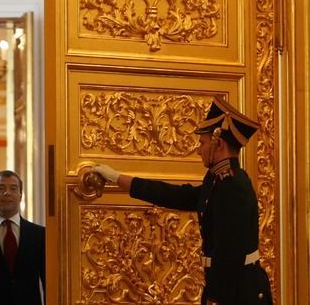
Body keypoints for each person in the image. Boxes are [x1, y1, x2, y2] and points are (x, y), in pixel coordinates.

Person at [92, 96, 273, 305]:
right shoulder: (219, 179)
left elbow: (228, 256)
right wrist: (117, 178)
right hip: (231, 289)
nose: (199, 150)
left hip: (238, 293)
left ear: (219, 144)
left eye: (203, 143)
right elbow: (174, 195)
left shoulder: (232, 186)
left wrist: (215, 299)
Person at [0, 170, 45, 305]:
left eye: (13, 188)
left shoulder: (39, 234)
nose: (7, 193)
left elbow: (48, 282)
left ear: (21, 195)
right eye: (1, 188)